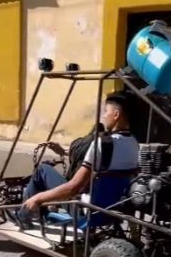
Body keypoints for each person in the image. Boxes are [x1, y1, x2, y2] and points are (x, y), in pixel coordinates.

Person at [17, 92, 139, 226]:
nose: (103, 116)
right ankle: (43, 213)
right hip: (110, 211)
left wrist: (38, 198)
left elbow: (73, 188)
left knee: (42, 170)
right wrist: (64, 152)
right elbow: (104, 159)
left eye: (106, 112)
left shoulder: (102, 144)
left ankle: (23, 216)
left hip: (86, 212)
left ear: (116, 115)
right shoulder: (134, 144)